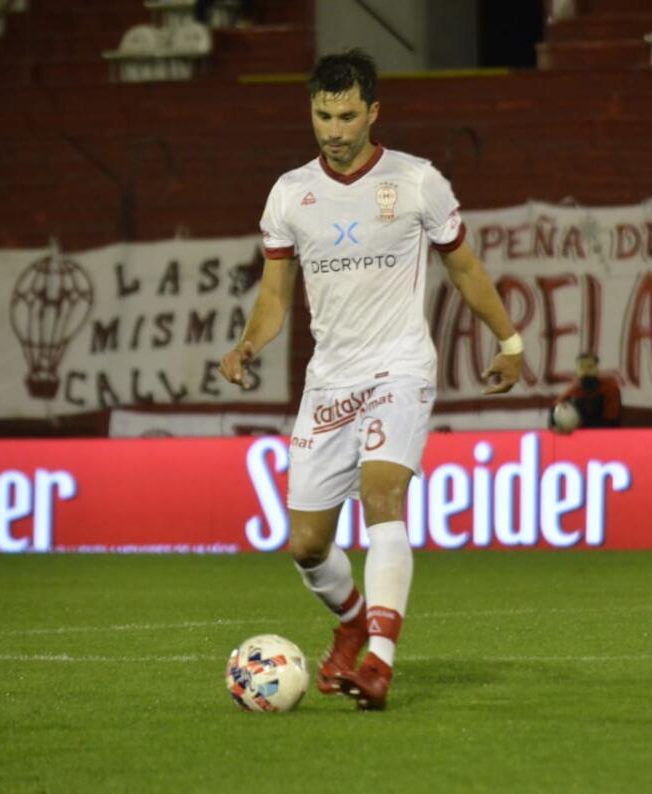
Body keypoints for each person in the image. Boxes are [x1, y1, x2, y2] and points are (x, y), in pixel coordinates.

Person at [219, 49, 522, 711]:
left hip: (399, 367)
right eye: (323, 114)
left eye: (347, 114)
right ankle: (354, 621)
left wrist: (510, 340)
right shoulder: (289, 194)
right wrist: (246, 345)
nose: (334, 128)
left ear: (373, 112)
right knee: (305, 544)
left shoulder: (416, 182)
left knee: (382, 496)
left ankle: (379, 661)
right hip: (330, 382)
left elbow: (465, 270)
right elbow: (274, 299)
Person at [551, 353, 622, 431]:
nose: (586, 371)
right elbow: (555, 408)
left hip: (604, 434)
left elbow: (611, 420)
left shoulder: (610, 389)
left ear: (597, 369)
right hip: (576, 435)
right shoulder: (573, 390)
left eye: (590, 367)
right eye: (582, 367)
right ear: (577, 371)